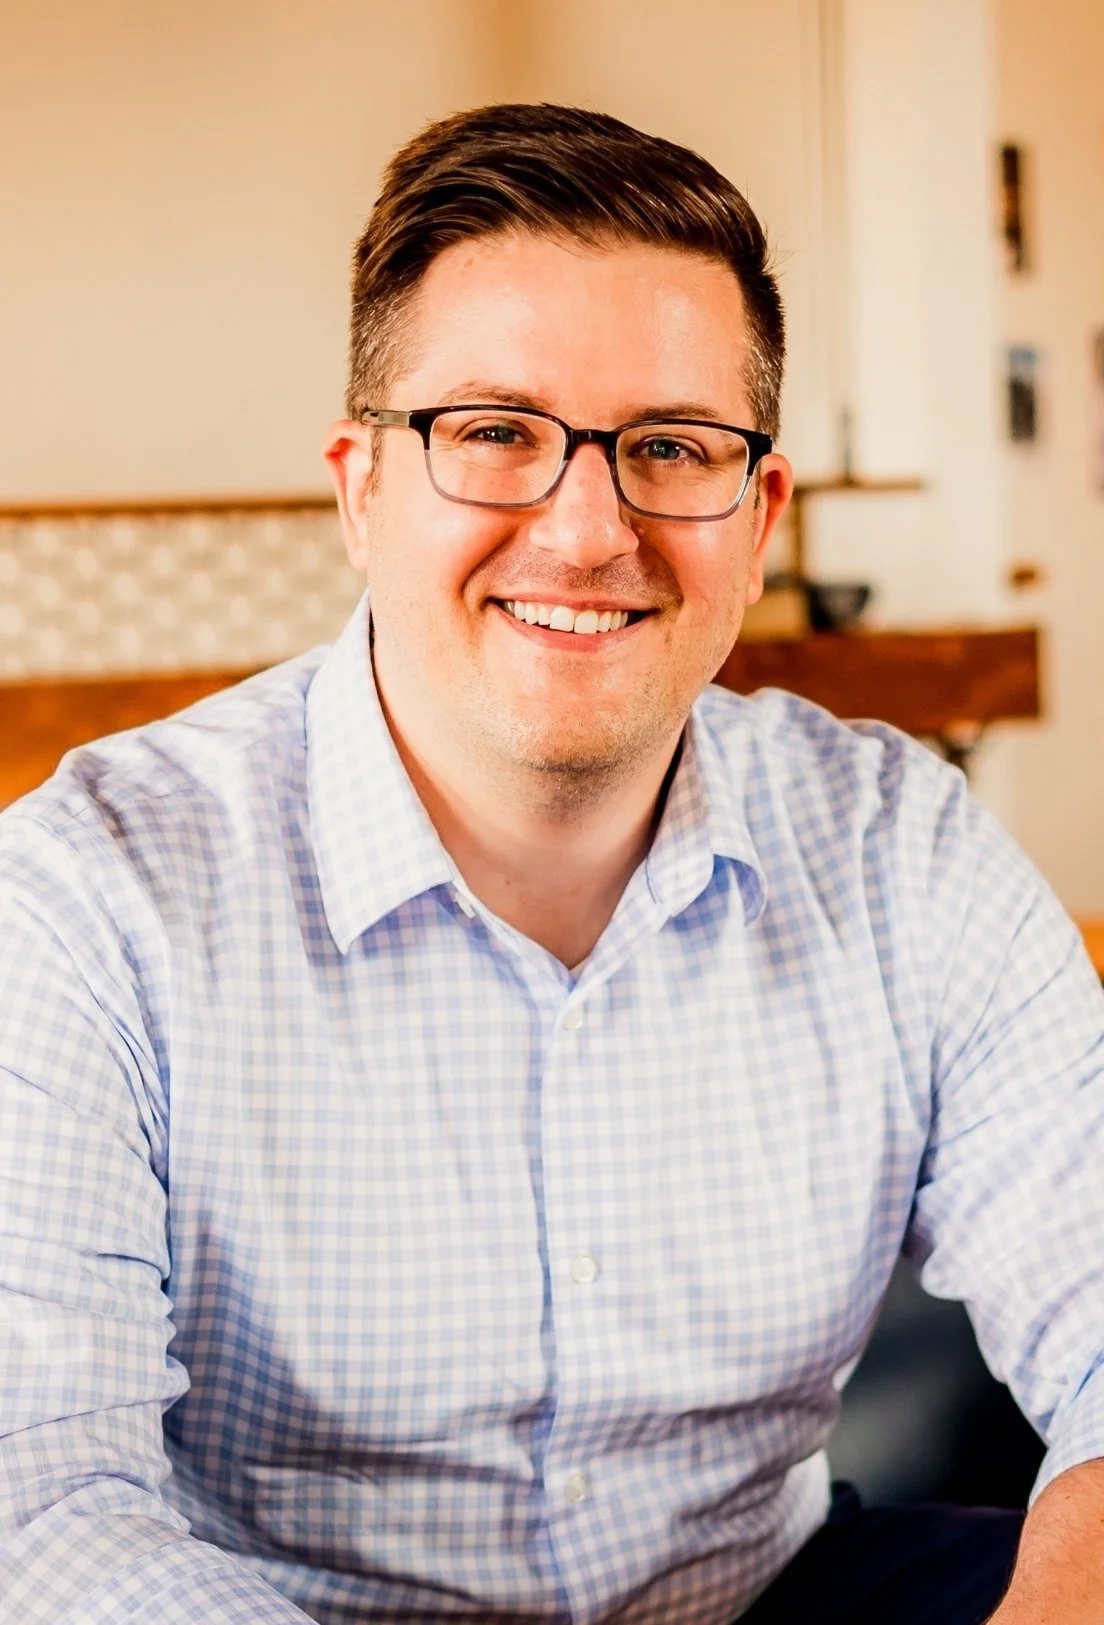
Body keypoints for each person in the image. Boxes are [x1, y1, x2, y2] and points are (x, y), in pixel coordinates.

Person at [1, 102, 1103, 1625]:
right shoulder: (84, 895)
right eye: (495, 433)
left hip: (770, 1593)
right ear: (361, 484)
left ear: (759, 512)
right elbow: (40, 1509)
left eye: (671, 446)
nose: (589, 529)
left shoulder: (901, 846)